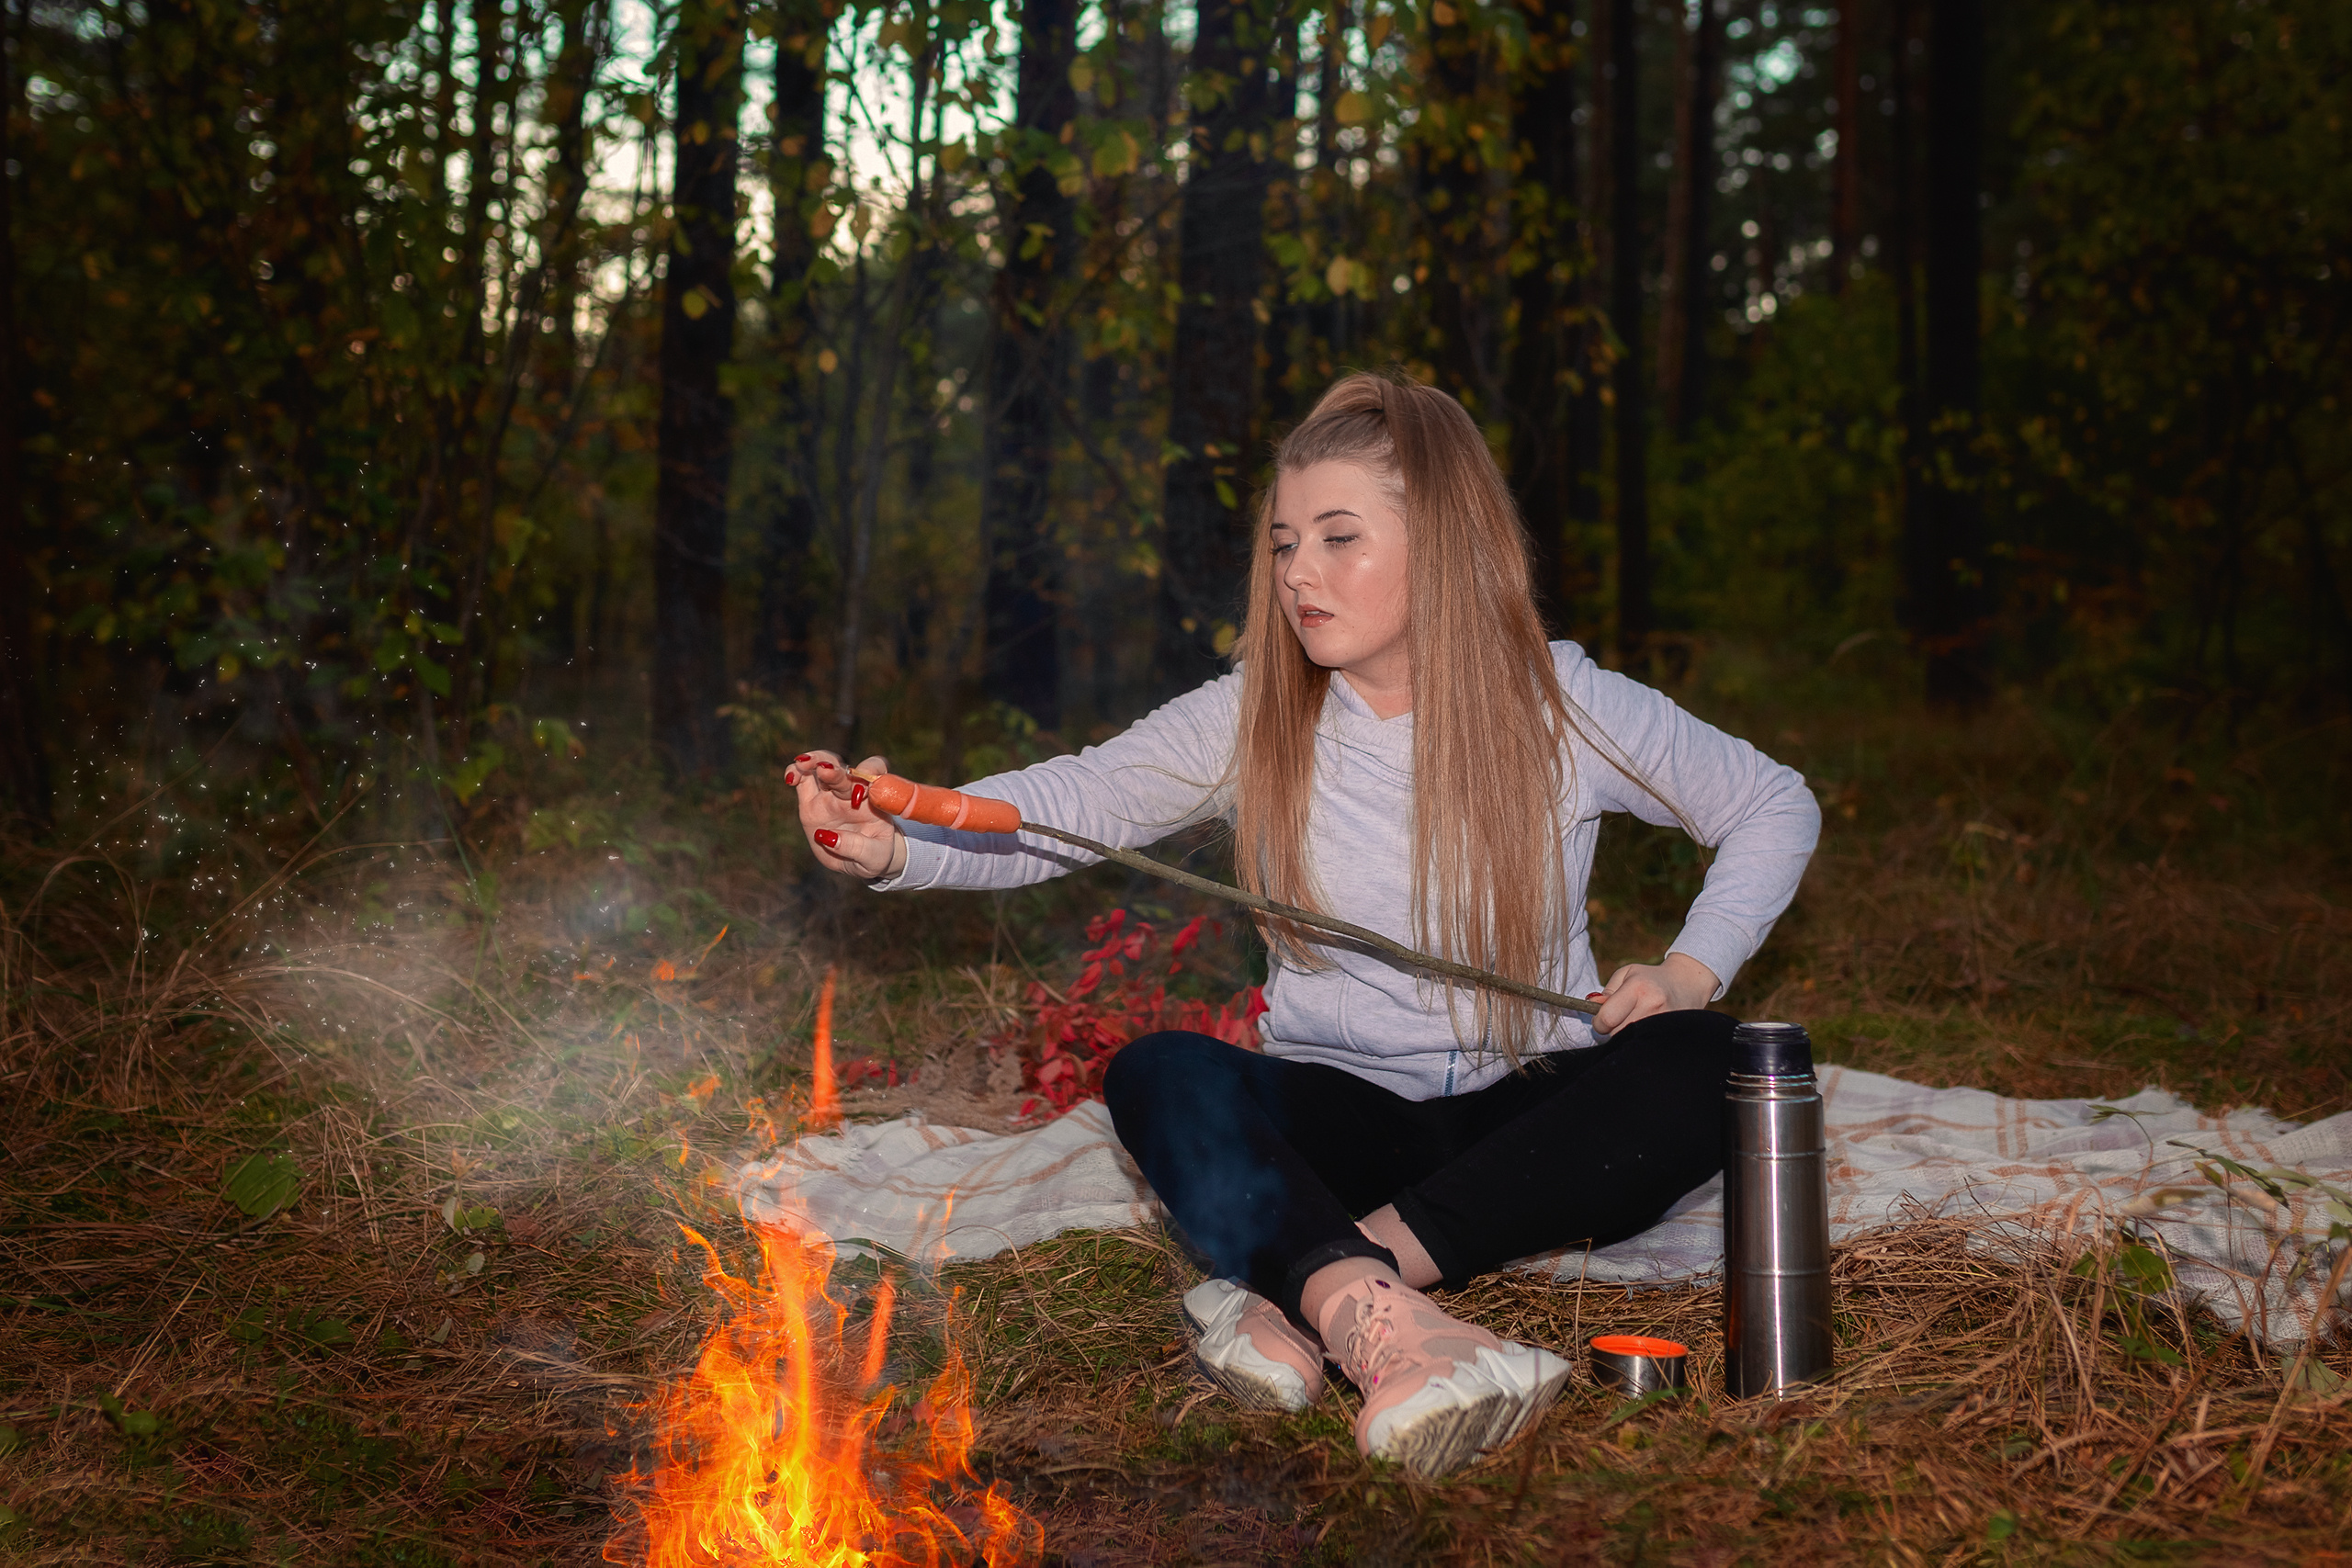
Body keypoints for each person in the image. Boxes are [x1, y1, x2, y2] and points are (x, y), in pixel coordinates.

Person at [791, 371, 1819, 1478]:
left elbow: (1771, 803)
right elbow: (1076, 804)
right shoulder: (1255, 712)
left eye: (1337, 538)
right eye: (1283, 544)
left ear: (1445, 544)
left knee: (1714, 1062)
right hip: (1339, 1121)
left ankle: (1311, 1284)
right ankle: (1385, 1323)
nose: (1297, 573)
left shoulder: (1560, 701)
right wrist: (902, 843)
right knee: (1160, 1075)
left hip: (1528, 1123)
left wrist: (1689, 969)